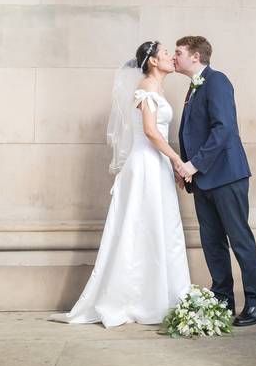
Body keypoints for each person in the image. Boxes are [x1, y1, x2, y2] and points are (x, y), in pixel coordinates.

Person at [49, 41, 191, 327]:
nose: (170, 58)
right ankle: (135, 298)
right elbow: (150, 131)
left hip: (156, 163)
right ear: (152, 61)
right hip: (145, 164)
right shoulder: (147, 87)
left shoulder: (156, 87)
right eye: (165, 54)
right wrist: (177, 159)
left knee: (159, 226)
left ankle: (161, 296)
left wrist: (170, 163)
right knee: (140, 227)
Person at [173, 35, 256, 327]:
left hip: (227, 176)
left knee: (240, 240)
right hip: (203, 181)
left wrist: (193, 165)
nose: (174, 57)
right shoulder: (193, 86)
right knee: (212, 242)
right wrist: (190, 172)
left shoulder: (217, 81)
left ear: (196, 56)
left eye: (179, 52)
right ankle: (223, 298)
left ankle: (255, 302)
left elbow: (223, 129)